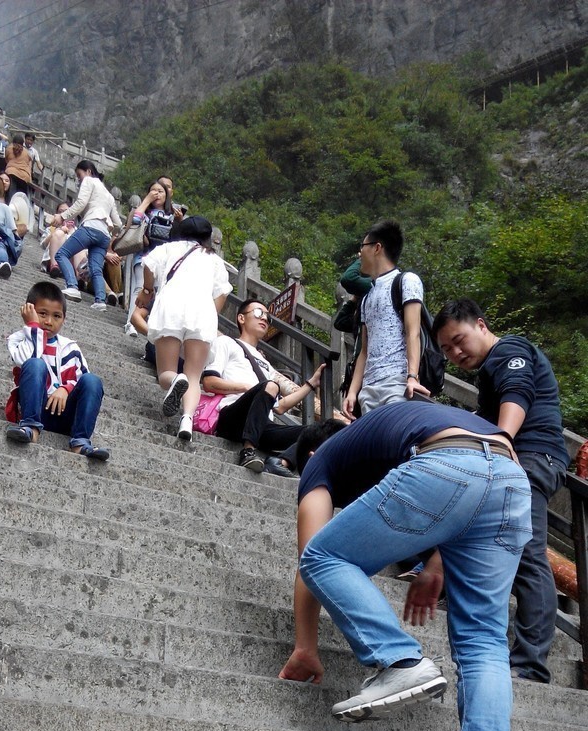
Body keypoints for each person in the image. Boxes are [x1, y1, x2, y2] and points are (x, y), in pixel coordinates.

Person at [279, 399, 533, 731]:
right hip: (511, 479)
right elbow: (480, 478)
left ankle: (400, 661)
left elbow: (313, 557)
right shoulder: (397, 432)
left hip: (444, 465)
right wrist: (437, 563)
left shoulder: (319, 460)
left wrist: (306, 646)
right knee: (484, 638)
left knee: (324, 556)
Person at [432, 298, 569, 683]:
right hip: (516, 460)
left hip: (530, 459)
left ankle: (531, 664)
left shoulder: (508, 351)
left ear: (481, 325)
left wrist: (503, 440)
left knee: (527, 554)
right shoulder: (489, 370)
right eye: (446, 349)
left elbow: (517, 392)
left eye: (459, 340)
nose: (456, 353)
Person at [200, 301, 325, 473]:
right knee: (270, 386)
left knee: (320, 431)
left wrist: (311, 384)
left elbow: (279, 407)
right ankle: (248, 452)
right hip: (232, 417)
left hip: (262, 426)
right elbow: (209, 382)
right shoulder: (226, 343)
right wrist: (246, 388)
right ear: (241, 318)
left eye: (268, 317)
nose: (265, 318)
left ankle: (281, 462)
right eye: (259, 313)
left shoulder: (266, 363)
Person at [139, 214, 232, 441]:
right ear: (208, 237)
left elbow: (148, 264)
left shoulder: (170, 248)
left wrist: (147, 290)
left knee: (166, 372)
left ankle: (174, 381)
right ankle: (187, 419)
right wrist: (208, 316)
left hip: (171, 306)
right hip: (202, 311)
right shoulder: (215, 260)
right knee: (194, 375)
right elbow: (222, 293)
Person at [5, 281, 109, 460]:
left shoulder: (70, 347)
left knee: (93, 381)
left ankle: (80, 441)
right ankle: (30, 428)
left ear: (64, 319)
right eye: (42, 314)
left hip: (65, 414)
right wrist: (33, 328)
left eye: (56, 316)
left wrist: (65, 389)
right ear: (29, 310)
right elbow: (25, 361)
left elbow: (84, 382)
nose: (48, 322)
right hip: (36, 409)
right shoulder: (18, 340)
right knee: (35, 364)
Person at [342, 219, 430, 418]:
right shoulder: (366, 297)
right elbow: (364, 351)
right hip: (368, 390)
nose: (360, 253)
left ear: (377, 248)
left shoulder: (407, 281)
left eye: (363, 246)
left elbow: (413, 332)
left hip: (397, 383)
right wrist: (353, 392)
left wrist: (412, 377)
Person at [50, 159, 123, 310]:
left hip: (91, 226)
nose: (79, 179)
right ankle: (100, 301)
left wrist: (62, 217)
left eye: (79, 175)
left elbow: (80, 203)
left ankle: (72, 286)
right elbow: (118, 224)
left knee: (61, 254)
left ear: (88, 171)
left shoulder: (89, 181)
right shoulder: (109, 196)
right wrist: (110, 233)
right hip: (104, 235)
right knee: (96, 268)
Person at [4, 134, 34, 200]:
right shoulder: (26, 152)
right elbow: (29, 164)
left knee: (11, 195)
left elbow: (6, 159)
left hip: (11, 173)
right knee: (21, 197)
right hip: (24, 176)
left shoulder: (9, 148)